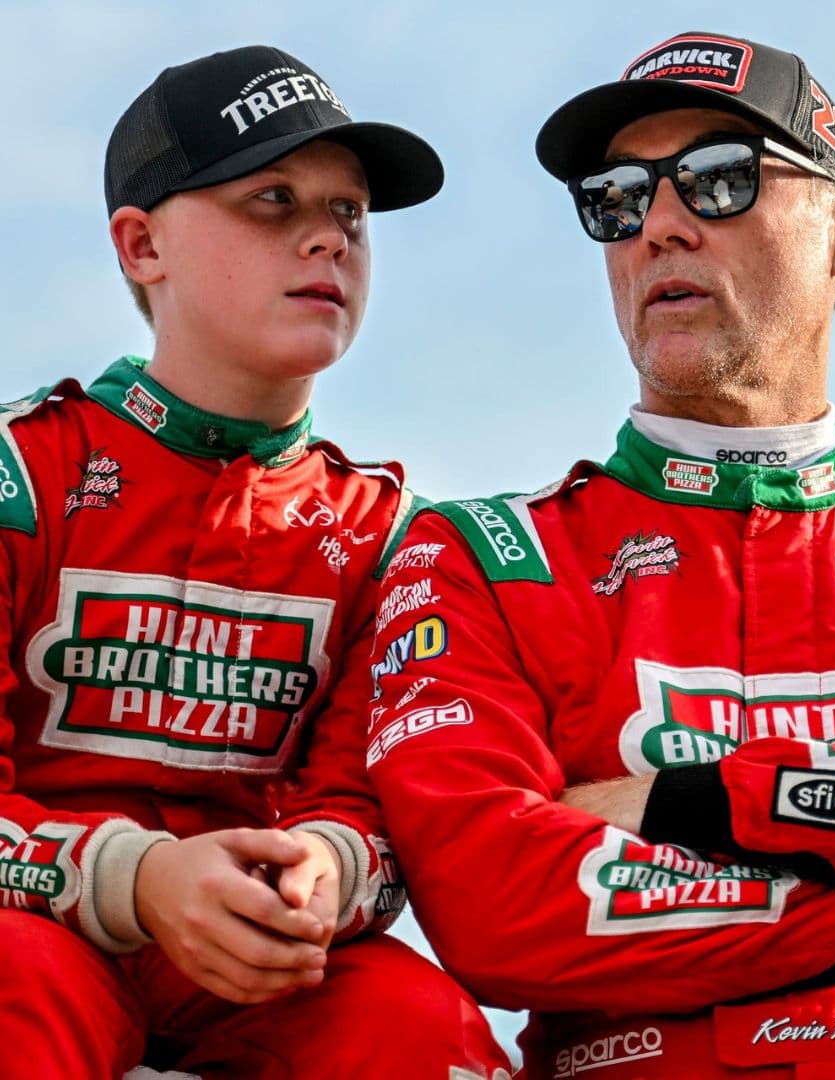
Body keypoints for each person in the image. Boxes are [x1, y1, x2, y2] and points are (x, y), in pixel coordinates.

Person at [361, 31, 835, 1079]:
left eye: (721, 180)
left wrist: (690, 803)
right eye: (620, 199)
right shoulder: (488, 558)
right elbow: (500, 907)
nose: (664, 227)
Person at [0, 45, 511, 1077]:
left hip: (263, 959)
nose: (328, 235)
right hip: (31, 936)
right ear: (143, 246)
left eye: (351, 214)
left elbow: (384, 810)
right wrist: (136, 878)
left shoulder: (397, 536)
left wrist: (324, 868)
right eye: (274, 199)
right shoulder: (19, 472)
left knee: (420, 1024)